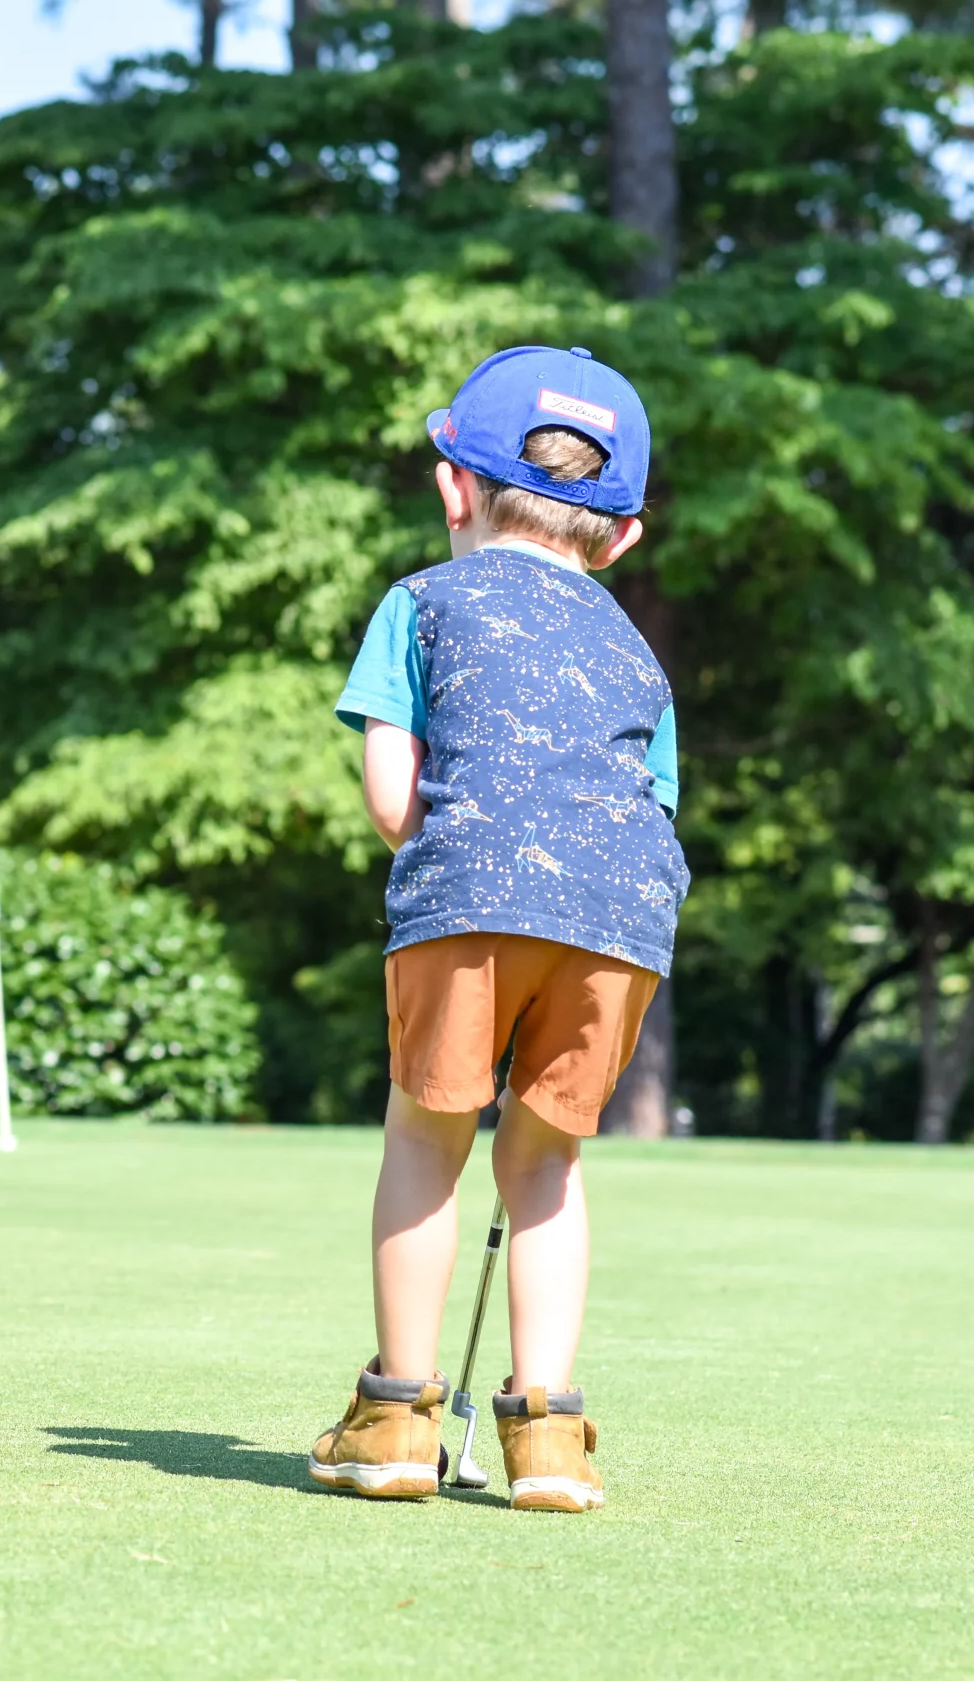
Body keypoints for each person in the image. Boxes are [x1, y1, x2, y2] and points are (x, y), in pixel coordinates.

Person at [307, 346, 688, 1514]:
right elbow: (655, 805)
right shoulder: (638, 651)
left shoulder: (421, 599)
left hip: (468, 892)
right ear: (620, 538)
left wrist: (463, 866)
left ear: (451, 488)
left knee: (428, 1140)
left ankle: (394, 1422)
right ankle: (549, 1442)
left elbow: (388, 792)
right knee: (546, 1163)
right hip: (623, 915)